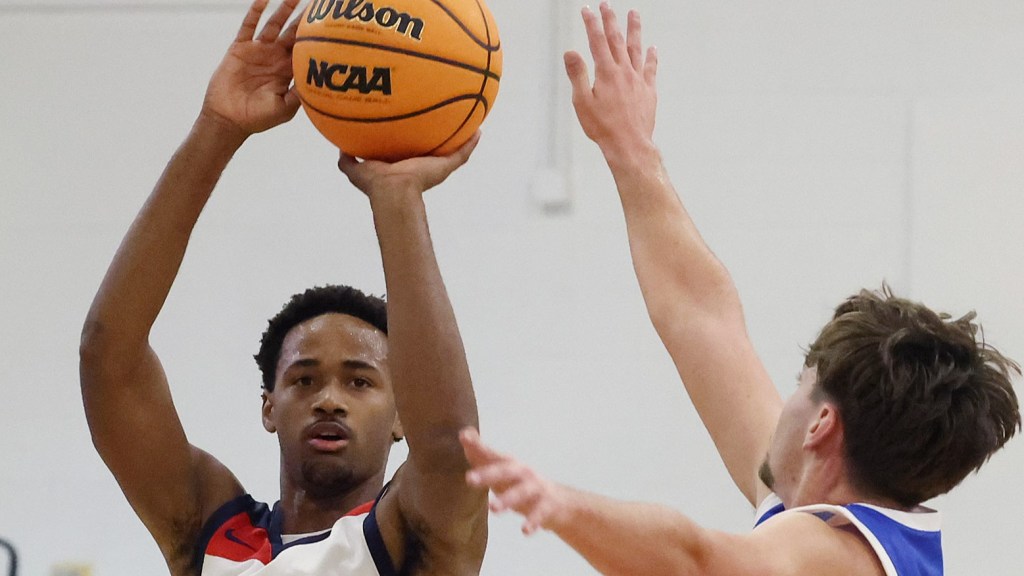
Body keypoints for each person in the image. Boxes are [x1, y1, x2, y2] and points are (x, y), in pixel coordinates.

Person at [459, 4, 1021, 575]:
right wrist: (629, 148)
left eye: (801, 384)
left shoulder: (843, 556)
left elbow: (696, 559)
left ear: (822, 426)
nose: (783, 403)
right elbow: (701, 317)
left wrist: (563, 505)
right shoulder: (820, 501)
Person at [78, 1, 486, 574]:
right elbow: (108, 356)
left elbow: (449, 447)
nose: (329, 399)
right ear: (269, 407)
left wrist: (397, 201)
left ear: (402, 417)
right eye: (303, 379)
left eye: (360, 380)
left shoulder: (414, 537)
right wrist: (218, 129)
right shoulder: (207, 529)